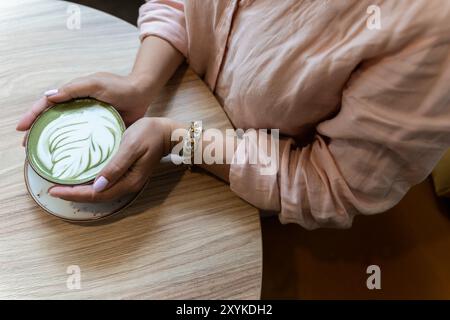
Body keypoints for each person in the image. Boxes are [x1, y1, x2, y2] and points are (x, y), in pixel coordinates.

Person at [17, 0, 450, 229]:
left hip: (252, 193)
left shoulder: (432, 26)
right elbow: (182, 5)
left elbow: (331, 185)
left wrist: (184, 141)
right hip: (176, 96)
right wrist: (140, 83)